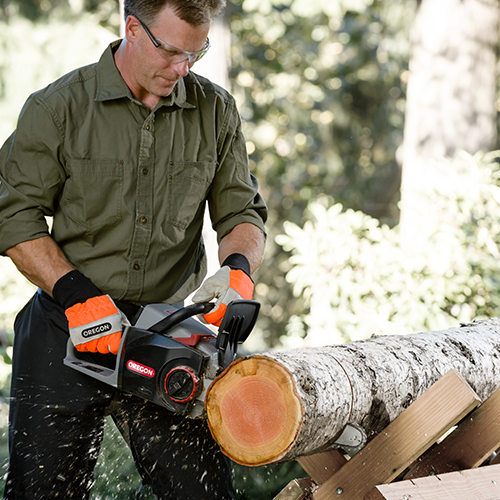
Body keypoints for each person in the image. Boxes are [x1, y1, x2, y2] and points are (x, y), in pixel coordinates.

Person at [0, 0, 267, 498]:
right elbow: (13, 215)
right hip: (67, 326)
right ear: (133, 28)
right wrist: (77, 294)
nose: (182, 68)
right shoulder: (58, 108)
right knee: (42, 491)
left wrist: (238, 270)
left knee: (200, 492)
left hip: (165, 334)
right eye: (170, 52)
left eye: (196, 53)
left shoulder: (215, 110)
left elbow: (242, 213)